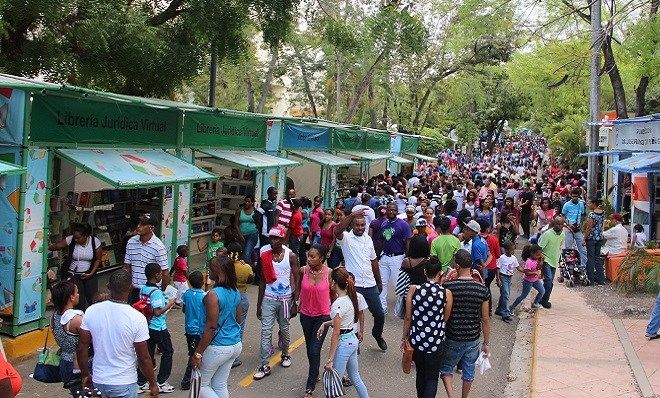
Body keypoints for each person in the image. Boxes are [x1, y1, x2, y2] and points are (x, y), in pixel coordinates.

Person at [77, 270, 159, 398]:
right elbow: (144, 357)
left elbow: (82, 347)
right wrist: (153, 383)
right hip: (124, 382)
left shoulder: (92, 310)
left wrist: (85, 374)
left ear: (108, 286)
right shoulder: (137, 318)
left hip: (99, 380)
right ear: (131, 288)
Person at [440, 249, 490, 398]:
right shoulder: (482, 289)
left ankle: (451, 396)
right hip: (473, 337)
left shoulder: (449, 287)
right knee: (469, 371)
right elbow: (485, 318)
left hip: (453, 336)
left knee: (446, 369)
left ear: (457, 266)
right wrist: (486, 343)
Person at [190, 255, 242, 398]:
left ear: (218, 273)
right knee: (219, 384)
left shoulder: (213, 295)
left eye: (211, 268)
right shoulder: (236, 291)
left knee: (200, 385)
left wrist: (198, 353)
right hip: (235, 344)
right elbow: (238, 318)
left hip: (217, 347)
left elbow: (211, 327)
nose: (209, 271)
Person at [334, 210, 387, 351]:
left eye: (363, 225)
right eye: (357, 225)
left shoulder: (368, 239)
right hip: (354, 284)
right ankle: (353, 343)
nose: (360, 227)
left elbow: (374, 261)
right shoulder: (345, 237)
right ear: (352, 225)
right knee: (354, 315)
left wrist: (379, 281)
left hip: (370, 283)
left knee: (379, 314)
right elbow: (337, 231)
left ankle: (377, 335)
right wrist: (351, 215)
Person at [402, 257, 453, 398]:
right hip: (435, 341)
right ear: (440, 273)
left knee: (420, 373)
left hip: (417, 339)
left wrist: (404, 337)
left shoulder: (414, 289)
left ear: (425, 272)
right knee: (432, 377)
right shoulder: (445, 293)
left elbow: (407, 317)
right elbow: (445, 318)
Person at [254, 227, 300, 380]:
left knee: (284, 329)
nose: (273, 241)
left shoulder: (291, 256)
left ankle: (286, 354)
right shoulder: (265, 256)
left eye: (276, 238)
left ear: (282, 240)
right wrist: (258, 304)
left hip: (286, 299)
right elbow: (261, 281)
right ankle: (265, 364)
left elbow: (297, 279)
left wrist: (296, 302)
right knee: (266, 331)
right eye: (271, 238)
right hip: (268, 298)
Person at [320, 267, 370, 398]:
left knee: (333, 383)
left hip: (344, 343)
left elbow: (336, 333)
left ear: (334, 283)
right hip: (352, 340)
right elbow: (343, 322)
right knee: (355, 377)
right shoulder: (351, 298)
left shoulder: (338, 304)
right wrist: (325, 323)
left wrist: (329, 360)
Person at [297, 244, 332, 398]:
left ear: (322, 258)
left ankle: (309, 388)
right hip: (305, 315)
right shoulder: (303, 271)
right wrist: (297, 302)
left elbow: (335, 294)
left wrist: (336, 314)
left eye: (313, 256)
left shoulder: (330, 274)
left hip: (323, 318)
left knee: (314, 350)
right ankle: (315, 372)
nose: (309, 259)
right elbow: (298, 287)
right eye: (308, 256)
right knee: (309, 348)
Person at [136, 263, 177, 393]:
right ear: (156, 275)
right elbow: (157, 311)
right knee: (168, 351)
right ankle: (161, 381)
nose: (161, 275)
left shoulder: (143, 289)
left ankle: (141, 382)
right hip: (158, 327)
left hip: (146, 326)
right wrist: (170, 303)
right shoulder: (157, 292)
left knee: (147, 354)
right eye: (160, 273)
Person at [48, 223, 102, 310]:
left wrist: (91, 273)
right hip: (74, 274)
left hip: (90, 274)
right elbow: (57, 246)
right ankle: (79, 318)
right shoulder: (71, 240)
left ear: (85, 236)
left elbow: (98, 259)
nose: (76, 240)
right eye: (75, 237)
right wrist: (50, 246)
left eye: (78, 238)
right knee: (78, 300)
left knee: (92, 297)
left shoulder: (94, 241)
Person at [124, 214, 169, 304]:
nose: (138, 226)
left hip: (151, 292)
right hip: (135, 291)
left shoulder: (158, 247)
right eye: (139, 223)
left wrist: (162, 293)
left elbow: (165, 273)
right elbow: (127, 267)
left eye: (143, 224)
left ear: (151, 228)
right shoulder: (131, 242)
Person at [376, 203, 413, 313]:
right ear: (386, 211)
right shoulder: (384, 224)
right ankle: (382, 308)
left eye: (394, 210)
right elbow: (381, 240)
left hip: (397, 257)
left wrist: (408, 257)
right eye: (390, 210)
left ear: (397, 212)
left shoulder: (403, 225)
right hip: (385, 257)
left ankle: (402, 308)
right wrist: (377, 256)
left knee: (398, 284)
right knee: (382, 283)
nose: (391, 212)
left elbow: (408, 241)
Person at [51, 280, 84, 396]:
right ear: (72, 297)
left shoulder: (54, 316)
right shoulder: (76, 320)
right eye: (77, 293)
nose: (78, 295)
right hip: (79, 366)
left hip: (64, 363)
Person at [226, 242, 254, 368]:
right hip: (242, 296)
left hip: (227, 296)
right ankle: (235, 357)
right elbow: (250, 279)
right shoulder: (246, 267)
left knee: (225, 325)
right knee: (239, 327)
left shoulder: (225, 266)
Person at [180, 271, 206, 391]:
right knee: (195, 354)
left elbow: (184, 309)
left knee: (193, 351)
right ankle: (186, 381)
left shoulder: (186, 294)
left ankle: (195, 376)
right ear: (202, 282)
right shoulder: (204, 296)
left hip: (189, 329)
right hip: (199, 330)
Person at [538, 217, 565, 309]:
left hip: (554, 260)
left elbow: (559, 246)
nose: (559, 226)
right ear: (553, 224)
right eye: (557, 224)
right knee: (548, 280)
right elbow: (539, 248)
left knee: (549, 282)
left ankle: (542, 298)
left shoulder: (562, 235)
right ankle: (545, 301)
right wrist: (541, 260)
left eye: (561, 224)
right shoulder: (547, 234)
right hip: (546, 260)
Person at [509, 244, 546, 312]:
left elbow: (539, 267)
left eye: (539, 255)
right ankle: (511, 307)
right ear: (532, 253)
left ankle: (535, 303)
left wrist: (541, 261)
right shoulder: (529, 262)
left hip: (535, 280)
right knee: (523, 295)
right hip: (528, 281)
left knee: (542, 291)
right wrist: (534, 273)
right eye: (537, 255)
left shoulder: (537, 260)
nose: (538, 256)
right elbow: (526, 272)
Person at [562, 187, 587, 270]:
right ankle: (569, 267)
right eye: (573, 196)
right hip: (569, 227)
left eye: (576, 196)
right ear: (570, 196)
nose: (574, 198)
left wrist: (581, 223)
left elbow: (583, 215)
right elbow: (563, 216)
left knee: (582, 248)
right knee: (568, 248)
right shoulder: (566, 205)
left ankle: (583, 266)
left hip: (578, 228)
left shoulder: (581, 204)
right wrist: (568, 224)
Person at [479, 220, 501, 316]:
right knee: (487, 287)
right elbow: (497, 255)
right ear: (487, 229)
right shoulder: (494, 239)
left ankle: (481, 310)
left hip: (479, 267)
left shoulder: (476, 239)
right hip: (491, 268)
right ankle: (489, 310)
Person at [583, 197, 605, 285]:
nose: (588, 205)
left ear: (594, 203)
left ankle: (590, 279)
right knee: (597, 258)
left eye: (589, 203)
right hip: (599, 238)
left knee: (590, 258)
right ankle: (601, 279)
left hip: (591, 238)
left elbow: (589, 228)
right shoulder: (603, 213)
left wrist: (584, 239)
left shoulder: (592, 215)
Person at [496, 242, 518, 323]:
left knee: (504, 294)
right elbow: (498, 268)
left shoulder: (514, 258)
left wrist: (527, 271)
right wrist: (498, 279)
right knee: (506, 295)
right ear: (506, 250)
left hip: (509, 278)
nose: (513, 251)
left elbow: (518, 267)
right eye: (512, 250)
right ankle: (505, 313)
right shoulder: (502, 258)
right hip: (503, 277)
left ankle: (499, 309)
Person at [236, 195, 259, 265]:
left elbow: (258, 223)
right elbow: (236, 224)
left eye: (248, 202)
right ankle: (250, 268)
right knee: (243, 254)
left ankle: (250, 270)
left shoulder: (255, 211)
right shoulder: (239, 211)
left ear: (252, 203)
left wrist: (257, 231)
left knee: (246, 254)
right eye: (245, 201)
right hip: (242, 235)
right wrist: (240, 235)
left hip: (252, 235)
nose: (246, 203)